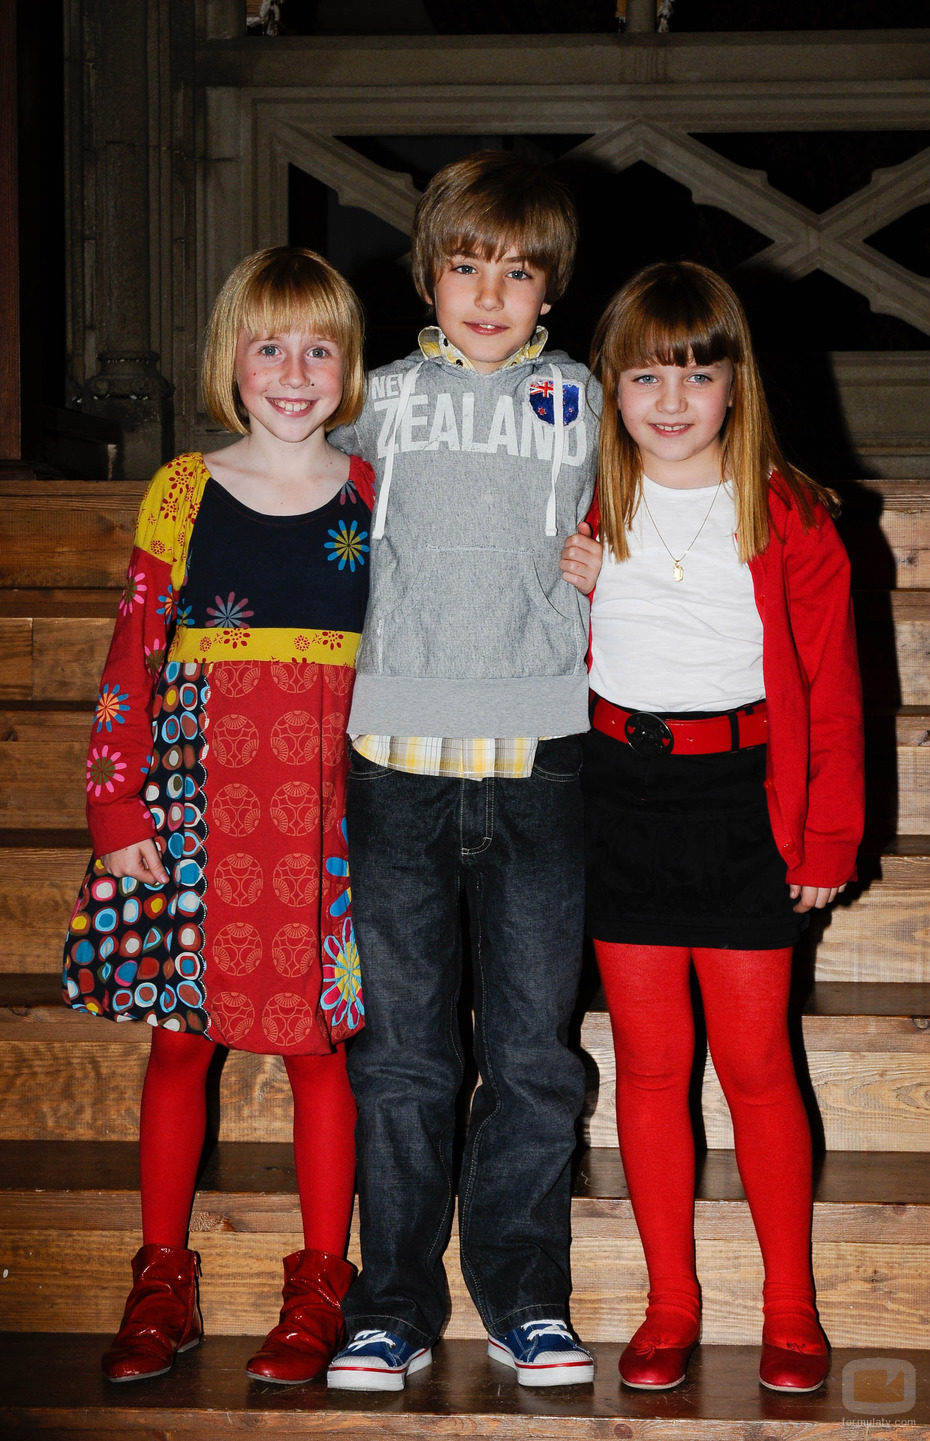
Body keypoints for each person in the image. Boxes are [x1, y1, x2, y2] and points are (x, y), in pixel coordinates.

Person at [61, 246, 374, 1386]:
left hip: (327, 816)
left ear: (348, 367)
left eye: (319, 348)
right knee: (180, 1041)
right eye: (269, 346)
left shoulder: (373, 494)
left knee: (320, 1049)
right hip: (196, 803)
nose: (294, 372)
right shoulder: (184, 490)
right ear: (229, 359)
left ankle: (320, 1284)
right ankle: (161, 1278)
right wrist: (113, 800)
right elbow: (131, 654)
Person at [323, 150, 600, 1392]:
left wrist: (619, 566)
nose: (489, 294)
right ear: (428, 273)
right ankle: (390, 1302)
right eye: (464, 265)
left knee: (536, 1049)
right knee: (403, 1050)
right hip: (397, 758)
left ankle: (525, 1293)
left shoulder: (589, 400)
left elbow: (671, 515)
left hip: (541, 754)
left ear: (550, 292)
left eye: (518, 272)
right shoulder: (372, 397)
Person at [581, 260, 864, 1395]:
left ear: (736, 384)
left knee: (754, 1062)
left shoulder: (789, 513)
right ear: (611, 385)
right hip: (622, 795)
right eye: (645, 373)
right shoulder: (594, 504)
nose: (670, 397)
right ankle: (669, 1304)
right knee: (650, 1068)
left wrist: (825, 839)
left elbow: (834, 689)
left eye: (697, 372)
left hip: (746, 799)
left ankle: (790, 1309)